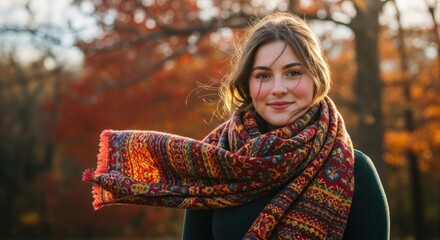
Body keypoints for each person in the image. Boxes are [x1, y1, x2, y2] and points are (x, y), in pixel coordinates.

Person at [83, 12, 389, 239]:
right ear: (247, 84)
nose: (278, 88)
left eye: (293, 72)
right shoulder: (215, 164)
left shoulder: (354, 170)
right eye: (263, 75)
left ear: (316, 79)